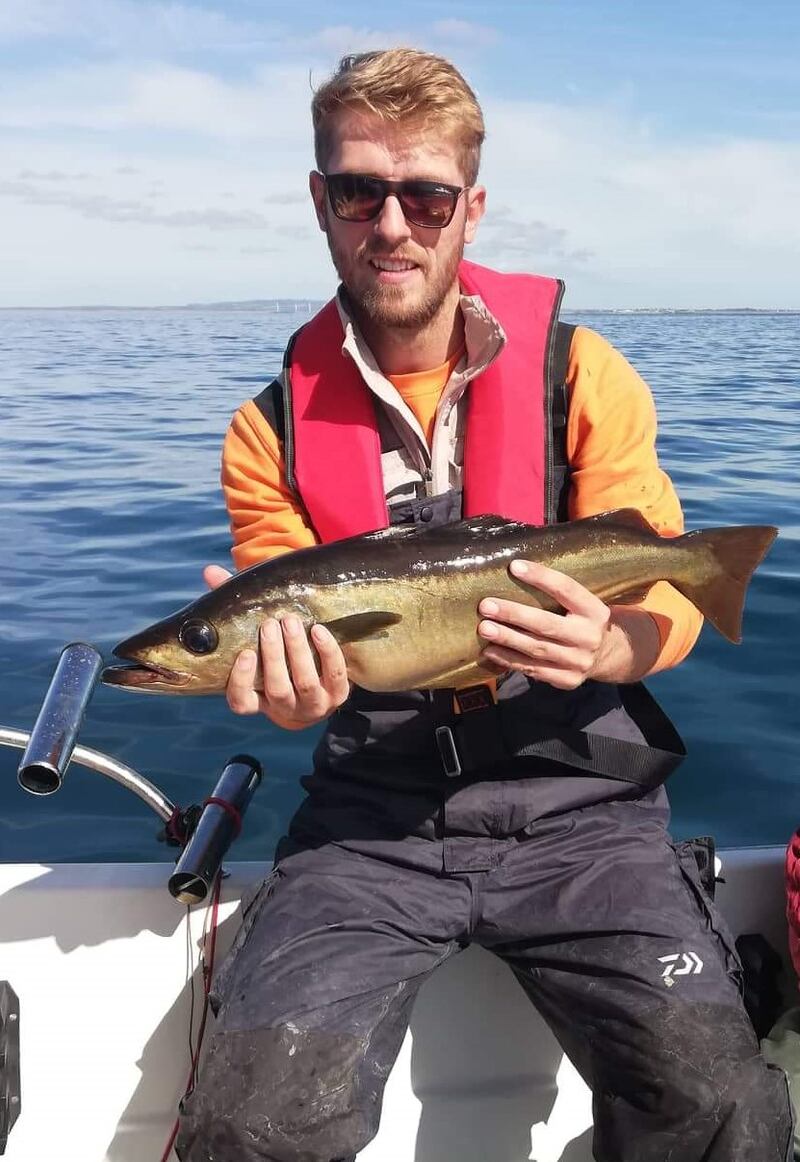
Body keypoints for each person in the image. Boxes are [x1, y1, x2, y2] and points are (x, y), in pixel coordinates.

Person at [176, 47, 792, 1162]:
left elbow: (669, 591)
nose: (393, 225)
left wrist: (613, 642)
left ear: (471, 205)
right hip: (370, 816)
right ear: (320, 200)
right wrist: (283, 695)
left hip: (580, 801)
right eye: (360, 191)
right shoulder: (265, 428)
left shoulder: (580, 374)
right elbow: (291, 673)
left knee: (722, 1109)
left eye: (425, 195)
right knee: (247, 1125)